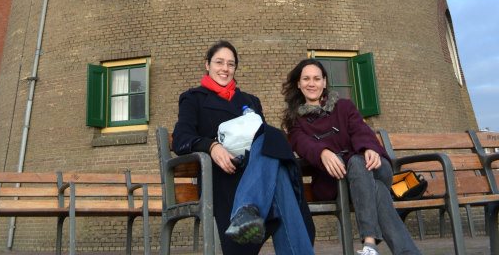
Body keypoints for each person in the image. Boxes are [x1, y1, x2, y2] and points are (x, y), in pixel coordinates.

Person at [172, 41, 314, 255]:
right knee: (281, 175)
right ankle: (250, 213)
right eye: (219, 62)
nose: (225, 69)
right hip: (222, 175)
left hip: (255, 171)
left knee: (270, 137)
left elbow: (262, 140)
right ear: (207, 65)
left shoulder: (250, 101)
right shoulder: (193, 99)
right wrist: (211, 146)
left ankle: (247, 210)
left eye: (231, 64)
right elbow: (181, 138)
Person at [283, 58, 422, 255]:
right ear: (299, 83)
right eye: (306, 79)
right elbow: (302, 144)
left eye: (316, 78)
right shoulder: (296, 121)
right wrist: (322, 152)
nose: (311, 83)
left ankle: (370, 243)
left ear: (324, 82)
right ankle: (391, 249)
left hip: (372, 166)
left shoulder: (345, 106)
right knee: (378, 190)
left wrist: (369, 148)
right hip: (336, 182)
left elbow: (360, 129)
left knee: (358, 162)